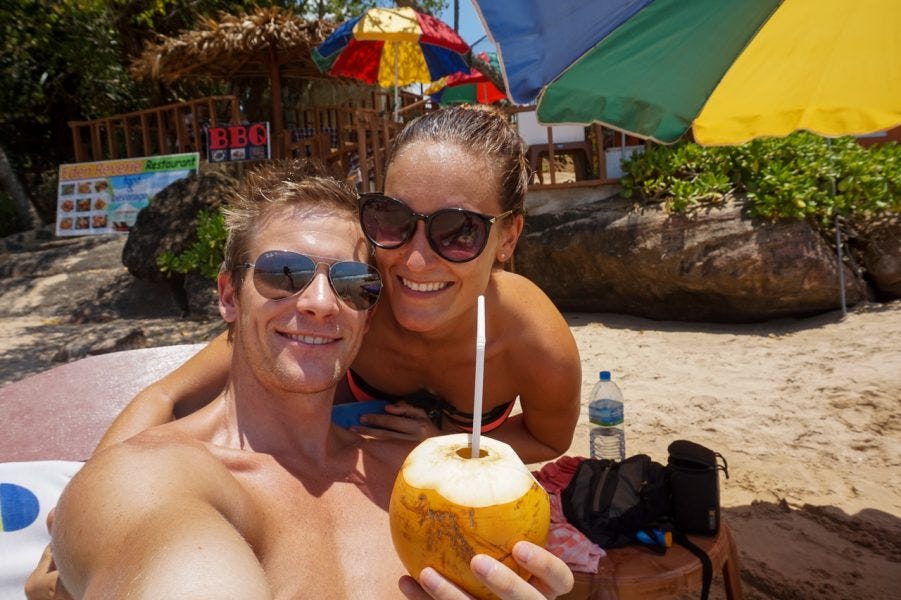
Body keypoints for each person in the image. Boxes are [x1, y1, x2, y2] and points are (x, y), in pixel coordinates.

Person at [39, 162, 574, 599]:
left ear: (370, 311)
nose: (320, 303)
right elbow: (171, 554)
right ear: (229, 295)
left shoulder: (408, 481)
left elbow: (548, 440)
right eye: (283, 274)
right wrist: (78, 515)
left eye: (352, 283)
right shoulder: (155, 479)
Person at [95, 105, 582, 466]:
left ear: (507, 237)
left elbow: (548, 441)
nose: (413, 258)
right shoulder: (350, 288)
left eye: (459, 231)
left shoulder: (533, 344)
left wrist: (449, 446)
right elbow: (169, 397)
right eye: (392, 218)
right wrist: (91, 504)